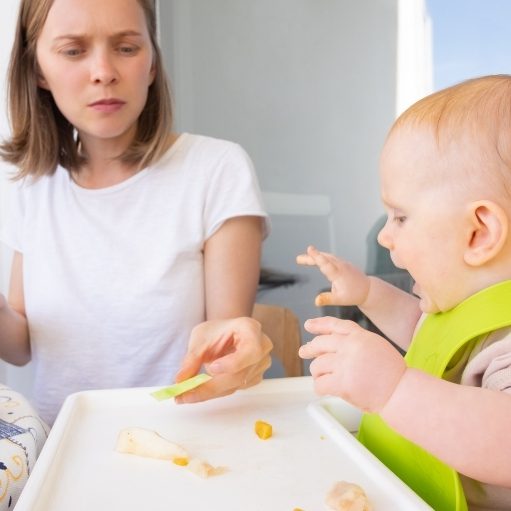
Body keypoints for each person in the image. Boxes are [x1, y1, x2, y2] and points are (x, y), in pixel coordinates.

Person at [0, 0, 272, 426]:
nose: (103, 71)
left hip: (181, 440)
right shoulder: (31, 187)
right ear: (37, 71)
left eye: (126, 48)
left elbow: (225, 347)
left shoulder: (216, 169)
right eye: (73, 51)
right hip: (58, 448)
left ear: (150, 64)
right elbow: (20, 345)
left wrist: (241, 349)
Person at [297, 75, 511, 511]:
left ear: (478, 233)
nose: (385, 237)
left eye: (399, 217)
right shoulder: (462, 311)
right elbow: (425, 335)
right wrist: (367, 292)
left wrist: (392, 389)